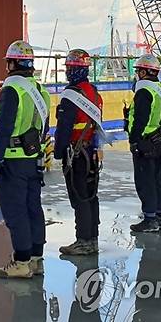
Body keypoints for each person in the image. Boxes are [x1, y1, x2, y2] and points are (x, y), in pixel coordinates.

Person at [0, 40, 51, 279]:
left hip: (12, 159)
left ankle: (21, 261)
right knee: (33, 207)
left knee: (16, 211)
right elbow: (45, 126)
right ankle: (36, 259)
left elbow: (4, 127)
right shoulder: (40, 90)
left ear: (12, 63)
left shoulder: (12, 89)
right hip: (33, 158)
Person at [54, 49, 104, 255]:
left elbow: (64, 129)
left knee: (80, 196)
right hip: (91, 151)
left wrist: (58, 153)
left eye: (68, 69)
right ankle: (92, 238)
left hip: (76, 153)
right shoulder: (93, 93)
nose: (67, 72)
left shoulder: (71, 96)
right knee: (91, 195)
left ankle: (83, 240)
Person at [126, 54, 161, 232]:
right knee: (156, 180)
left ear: (144, 72)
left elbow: (140, 120)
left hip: (145, 141)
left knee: (145, 182)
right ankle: (159, 216)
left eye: (137, 71)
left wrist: (133, 140)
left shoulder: (144, 91)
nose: (136, 75)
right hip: (158, 140)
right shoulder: (160, 89)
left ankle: (149, 218)